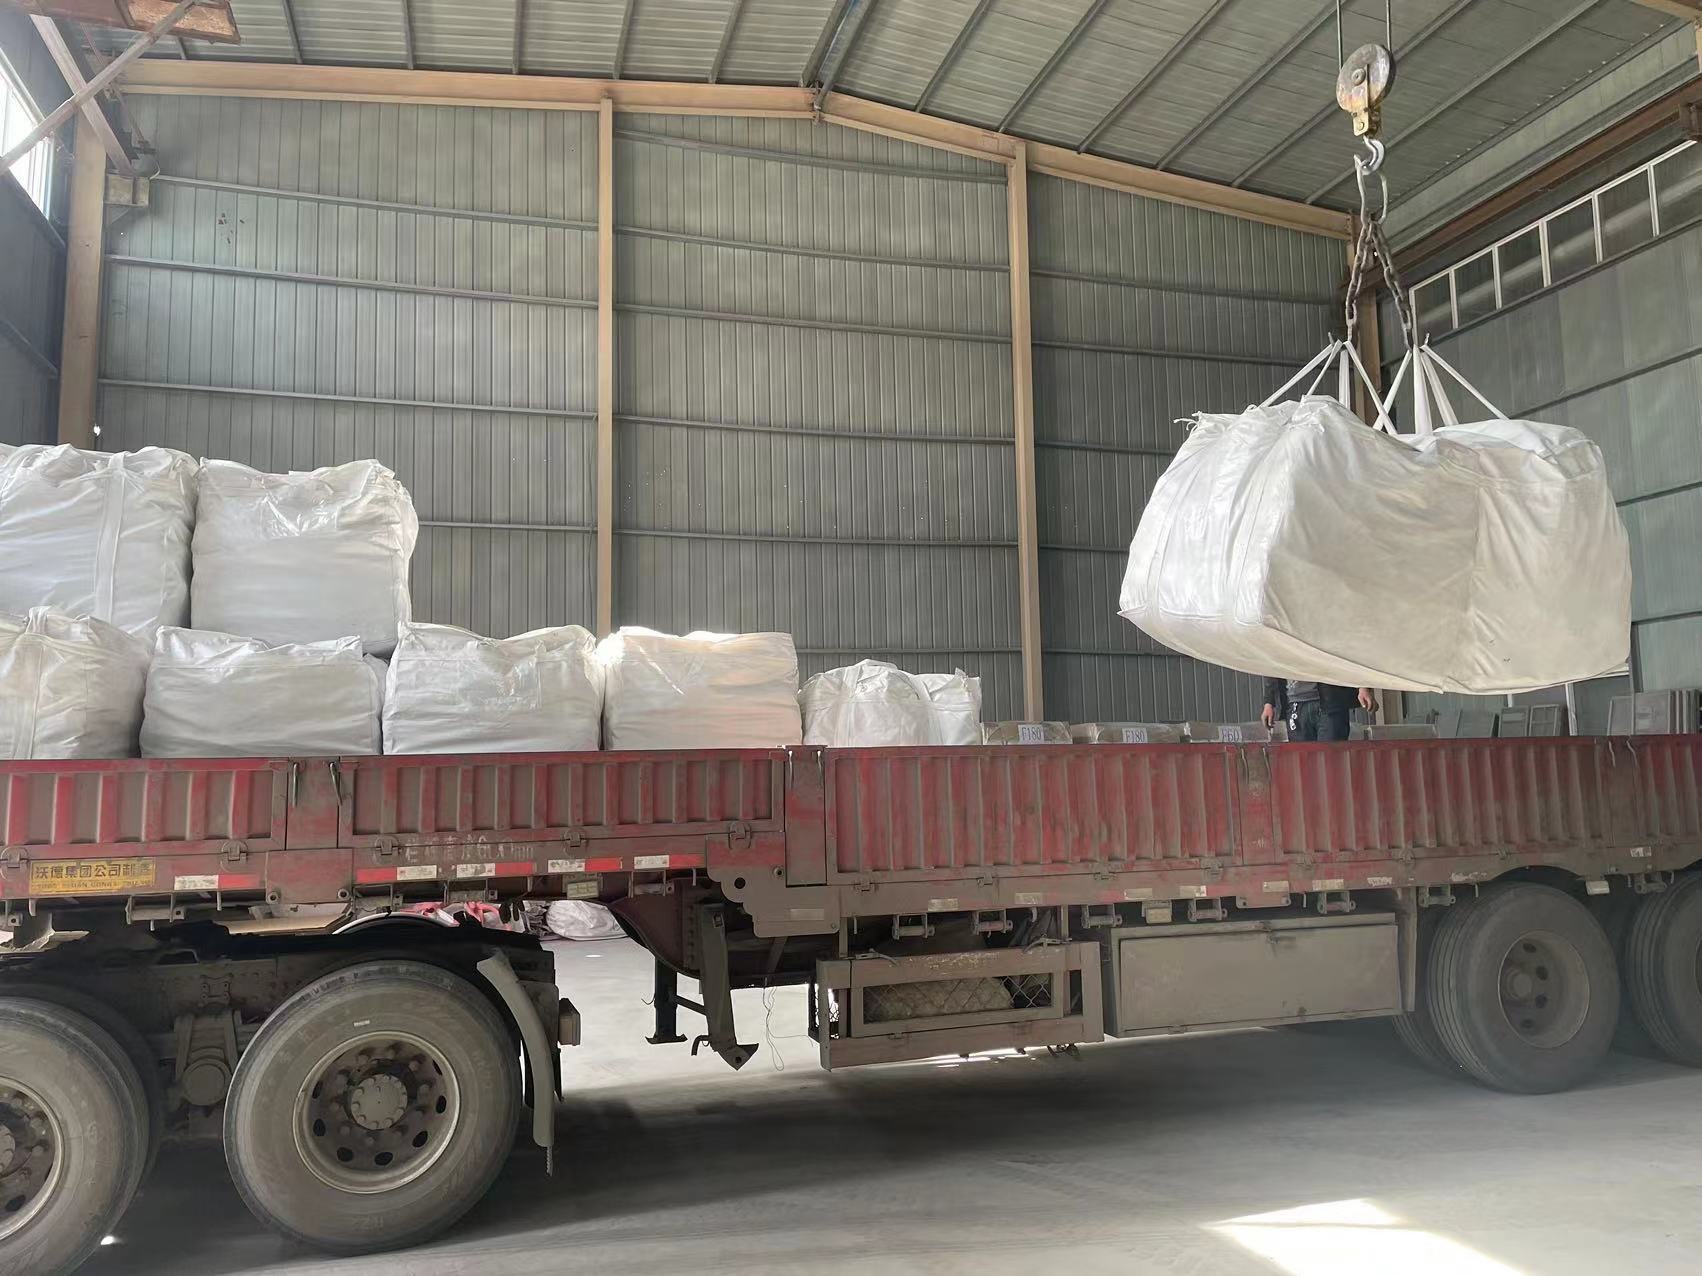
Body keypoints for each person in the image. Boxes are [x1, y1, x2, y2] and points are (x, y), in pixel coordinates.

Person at [1261, 678, 1377, 742]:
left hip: (1331, 700)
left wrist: (1363, 685)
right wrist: (1268, 702)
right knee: (1303, 763)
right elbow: (1272, 655)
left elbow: (1349, 647)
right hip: (1295, 704)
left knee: (1332, 759)